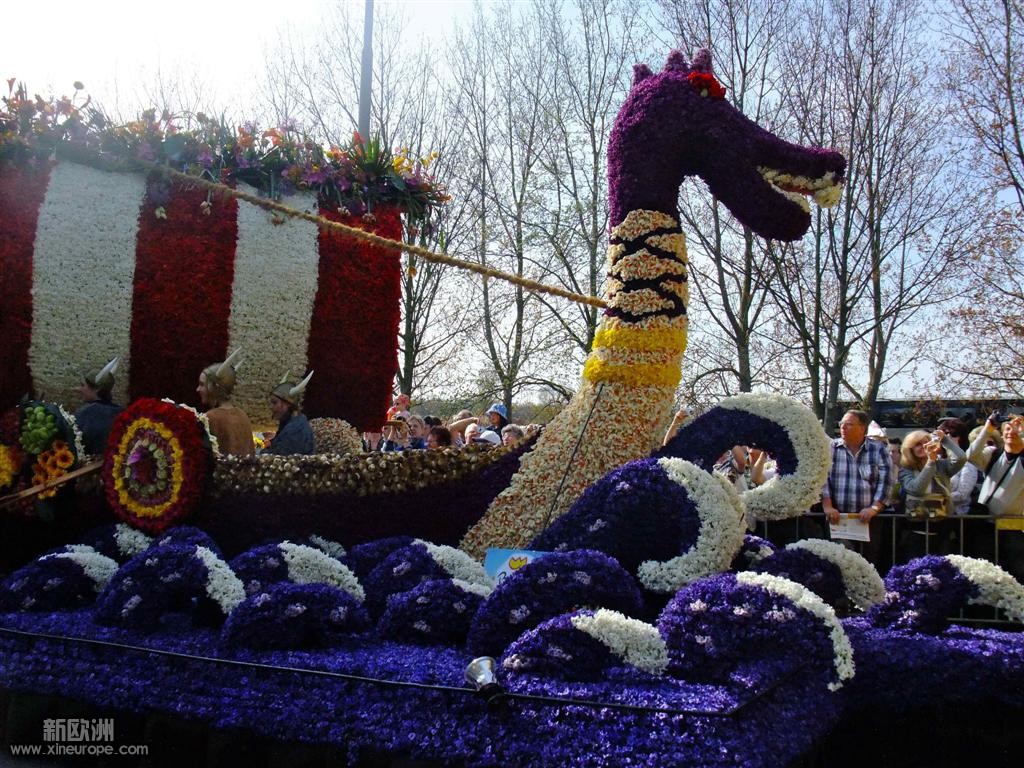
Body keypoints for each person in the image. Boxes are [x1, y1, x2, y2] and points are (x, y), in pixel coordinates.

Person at [821, 409, 894, 565]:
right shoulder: (830, 448)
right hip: (839, 518)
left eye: (848, 424)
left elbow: (886, 481)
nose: (843, 427)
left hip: (870, 520)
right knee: (842, 561)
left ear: (862, 428)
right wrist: (827, 506)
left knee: (868, 563)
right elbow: (822, 479)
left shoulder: (878, 449)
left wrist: (874, 508)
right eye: (841, 424)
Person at [966, 412, 1024, 582]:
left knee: (1015, 573)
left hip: (1014, 527)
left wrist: (1021, 432)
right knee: (985, 574)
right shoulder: (993, 453)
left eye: (1016, 428)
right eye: (1007, 427)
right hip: (985, 524)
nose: (1010, 431)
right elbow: (969, 456)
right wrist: (988, 428)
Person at [897, 429, 966, 558]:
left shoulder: (941, 465)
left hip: (942, 529)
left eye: (926, 442)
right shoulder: (906, 470)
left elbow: (961, 458)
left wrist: (945, 440)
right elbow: (916, 489)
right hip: (916, 530)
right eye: (917, 444)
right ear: (909, 449)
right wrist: (930, 462)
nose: (923, 447)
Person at [196, 348, 254, 456]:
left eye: (202, 384)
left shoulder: (209, 418)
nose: (198, 389)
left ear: (213, 388)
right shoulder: (243, 415)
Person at [74, 357, 124, 456]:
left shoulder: (86, 413)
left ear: (96, 389)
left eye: (83, 385)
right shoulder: (121, 412)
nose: (80, 389)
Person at [264, 371, 315, 456]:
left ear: (286, 404)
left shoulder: (296, 430)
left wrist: (259, 452)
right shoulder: (290, 424)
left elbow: (280, 457)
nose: (271, 407)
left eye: (274, 402)